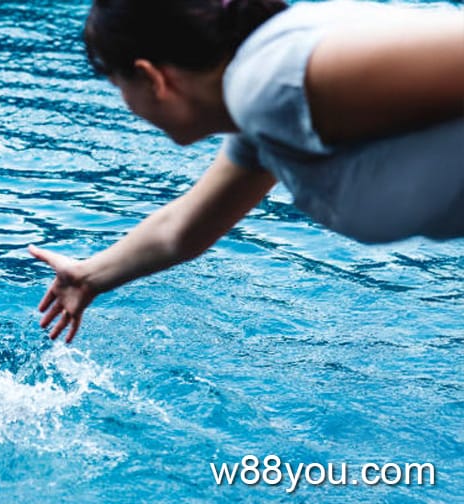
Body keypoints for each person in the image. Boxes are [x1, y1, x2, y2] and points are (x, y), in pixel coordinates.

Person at [30, 0, 464, 342]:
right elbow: (180, 230)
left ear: (152, 77)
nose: (124, 103)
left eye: (117, 86)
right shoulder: (263, 113)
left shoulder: (270, 83)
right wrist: (88, 277)